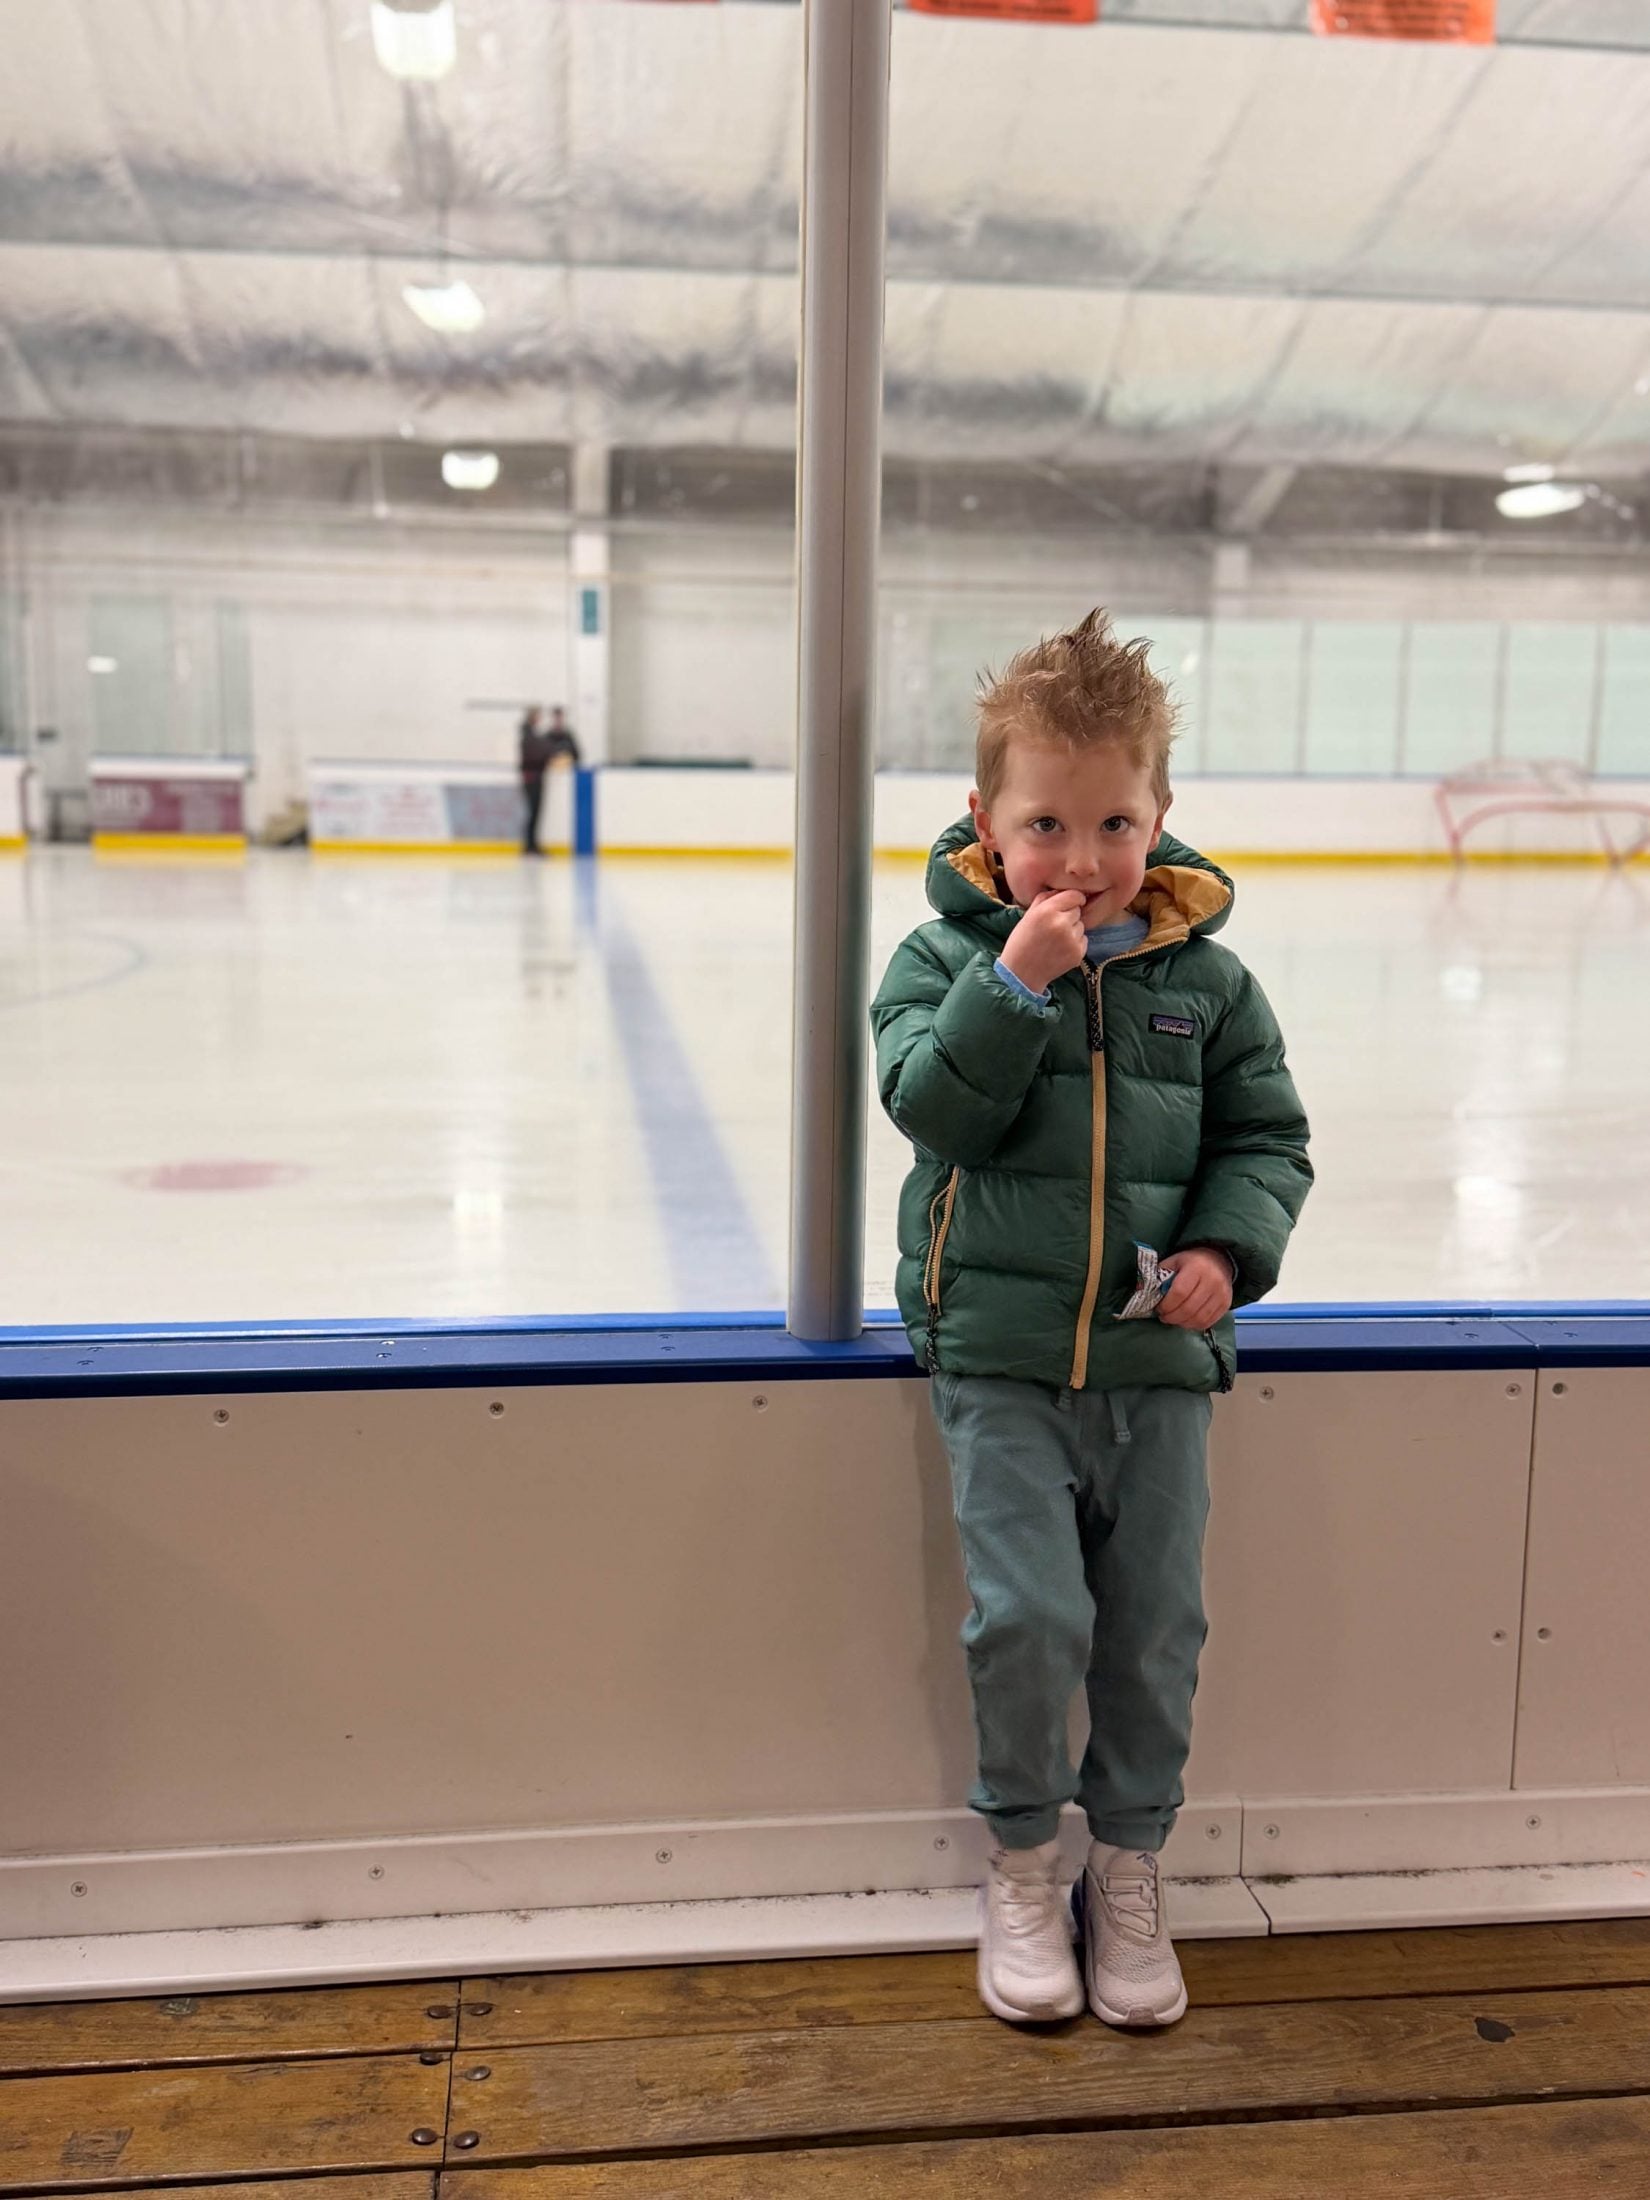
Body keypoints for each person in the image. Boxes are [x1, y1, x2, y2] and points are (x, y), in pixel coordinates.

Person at [870, 609, 1312, 2031]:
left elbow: (1267, 1141)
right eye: (1044, 824)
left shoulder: (1211, 987)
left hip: (1154, 1362)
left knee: (1154, 1628)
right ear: (985, 823)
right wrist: (1015, 986)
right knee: (1029, 1619)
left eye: (1113, 822)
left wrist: (1226, 1252)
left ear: (1160, 817)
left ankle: (1127, 1866)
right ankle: (1020, 1864)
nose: (1079, 858)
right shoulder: (941, 965)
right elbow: (934, 1112)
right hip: (998, 1357)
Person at [518, 705, 581, 856]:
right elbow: (539, 753)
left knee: (535, 812)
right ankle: (530, 845)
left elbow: (575, 753)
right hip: (532, 779)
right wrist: (554, 754)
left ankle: (531, 844)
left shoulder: (536, 735)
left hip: (535, 777)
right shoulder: (530, 736)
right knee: (533, 812)